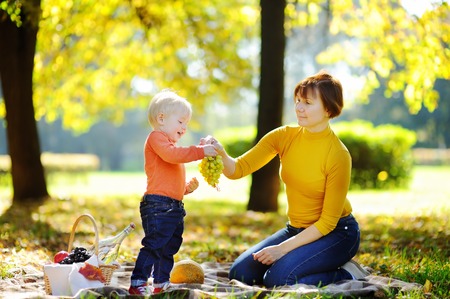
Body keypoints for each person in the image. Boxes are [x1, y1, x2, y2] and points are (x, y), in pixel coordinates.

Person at [210, 71, 370, 288]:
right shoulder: (284, 136)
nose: (299, 107)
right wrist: (220, 153)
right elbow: (238, 168)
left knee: (278, 279)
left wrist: (282, 249)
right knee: (241, 273)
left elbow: (327, 222)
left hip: (337, 234)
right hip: (296, 229)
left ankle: (347, 273)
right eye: (298, 100)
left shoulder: (338, 155)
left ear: (328, 109)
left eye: (308, 102)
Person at [128, 89, 218, 295]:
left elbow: (168, 180)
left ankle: (160, 282)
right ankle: (138, 281)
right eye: (180, 122)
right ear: (161, 119)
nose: (184, 128)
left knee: (169, 246)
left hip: (173, 206)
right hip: (158, 206)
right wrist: (199, 151)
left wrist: (185, 188)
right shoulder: (156, 138)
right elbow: (172, 156)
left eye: (186, 124)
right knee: (154, 245)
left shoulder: (169, 144)